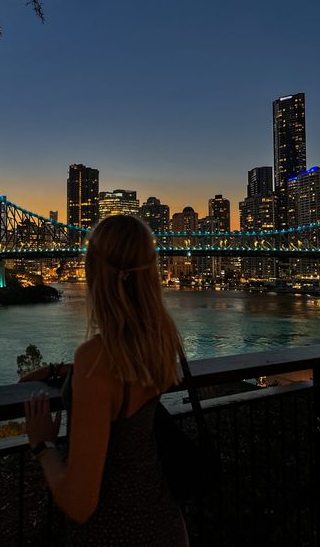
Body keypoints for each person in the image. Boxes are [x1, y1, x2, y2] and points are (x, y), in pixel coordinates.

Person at [23, 215, 189, 546]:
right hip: (167, 526)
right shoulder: (160, 342)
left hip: (114, 532)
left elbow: (79, 505)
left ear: (97, 273)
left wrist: (43, 445)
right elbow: (126, 374)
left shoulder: (96, 360)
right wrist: (64, 371)